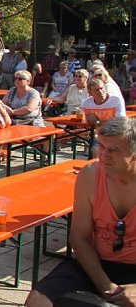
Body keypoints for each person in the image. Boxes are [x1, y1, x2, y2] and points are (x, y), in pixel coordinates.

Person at [26, 117, 136, 307]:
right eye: (101, 146)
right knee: (38, 299)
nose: (103, 155)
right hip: (97, 263)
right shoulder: (91, 175)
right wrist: (104, 284)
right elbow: (79, 237)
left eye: (114, 150)